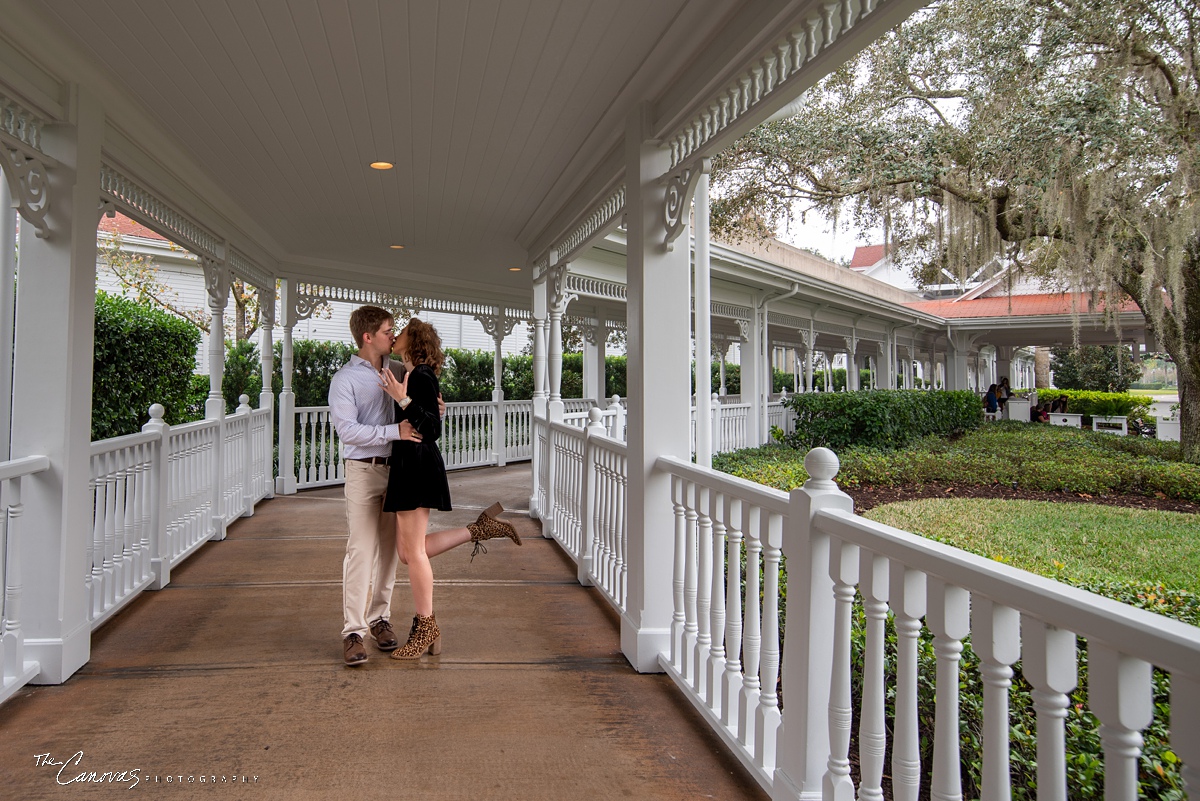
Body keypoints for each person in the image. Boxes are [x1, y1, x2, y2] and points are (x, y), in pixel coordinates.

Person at [379, 318, 522, 660]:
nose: (395, 336)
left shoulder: (422, 375)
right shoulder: (412, 373)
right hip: (409, 466)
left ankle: (426, 625)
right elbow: (430, 416)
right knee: (407, 553)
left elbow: (431, 429)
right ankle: (479, 529)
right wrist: (404, 395)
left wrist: (402, 400)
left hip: (416, 467)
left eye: (401, 333)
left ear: (414, 340)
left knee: (413, 553)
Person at [329, 305, 432, 666]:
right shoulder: (344, 380)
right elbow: (348, 431)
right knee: (360, 549)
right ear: (368, 336)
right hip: (363, 471)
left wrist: (433, 407)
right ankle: (353, 632)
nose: (393, 334)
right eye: (388, 330)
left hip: (399, 471)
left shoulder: (398, 371)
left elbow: (416, 408)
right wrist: (395, 431)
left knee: (390, 551)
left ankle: (379, 619)